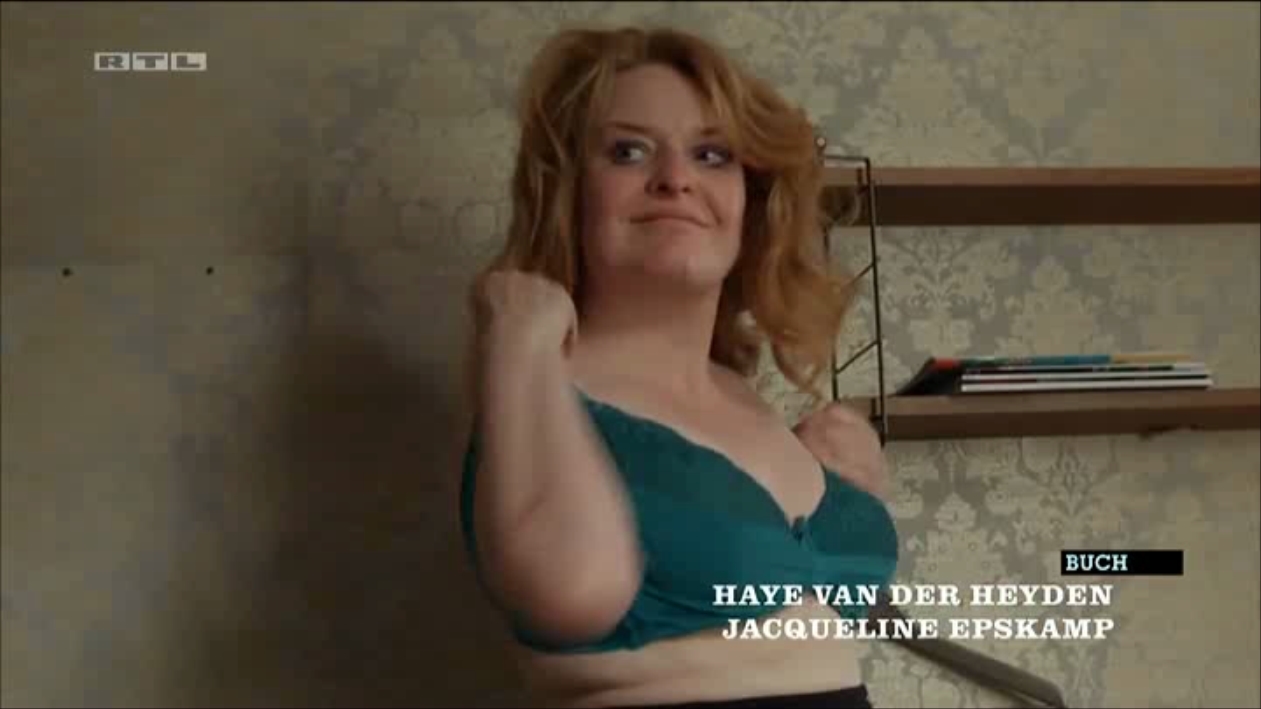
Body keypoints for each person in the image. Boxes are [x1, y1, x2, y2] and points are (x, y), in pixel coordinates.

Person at [458, 24, 899, 709]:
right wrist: (518, 337)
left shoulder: (750, 399)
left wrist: (859, 494)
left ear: (751, 200)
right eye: (628, 151)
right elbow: (570, 591)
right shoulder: (536, 377)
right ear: (570, 192)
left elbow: (807, 628)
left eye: (711, 154)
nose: (675, 178)